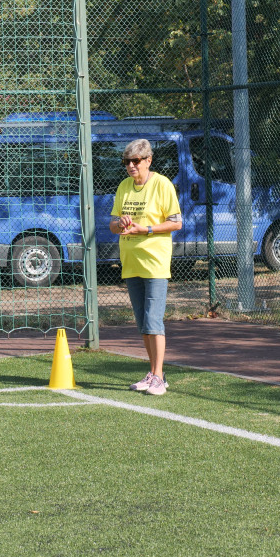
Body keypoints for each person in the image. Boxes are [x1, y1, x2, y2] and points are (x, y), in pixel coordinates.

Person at [109, 139, 182, 396]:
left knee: (153, 321)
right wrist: (121, 224)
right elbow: (113, 224)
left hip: (155, 263)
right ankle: (152, 373)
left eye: (136, 161)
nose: (130, 166)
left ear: (148, 160)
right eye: (126, 162)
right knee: (142, 322)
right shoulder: (124, 187)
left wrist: (146, 229)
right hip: (131, 263)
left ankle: (160, 378)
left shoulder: (162, 184)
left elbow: (176, 223)